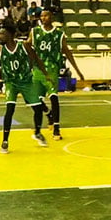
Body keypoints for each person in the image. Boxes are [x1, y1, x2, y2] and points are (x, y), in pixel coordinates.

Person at [0, 24, 53, 153]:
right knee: (9, 109)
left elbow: (37, 60)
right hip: (10, 83)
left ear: (10, 35)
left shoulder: (24, 46)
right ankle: (5, 141)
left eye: (2, 33)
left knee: (37, 108)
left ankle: (38, 132)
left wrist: (46, 74)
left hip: (26, 82)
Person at [28, 10, 85, 140]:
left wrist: (77, 70)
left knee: (54, 98)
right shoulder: (35, 31)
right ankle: (48, 114)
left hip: (52, 69)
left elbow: (67, 52)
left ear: (51, 17)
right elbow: (27, 46)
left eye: (46, 15)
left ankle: (57, 129)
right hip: (37, 69)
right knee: (34, 100)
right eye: (41, 16)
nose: (43, 18)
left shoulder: (59, 34)